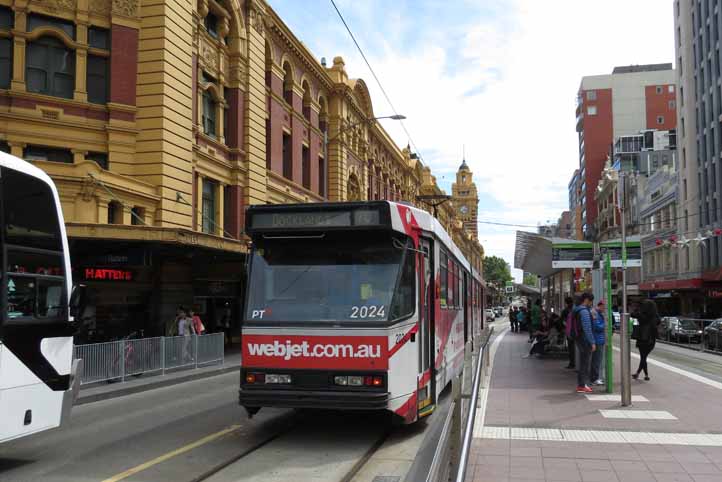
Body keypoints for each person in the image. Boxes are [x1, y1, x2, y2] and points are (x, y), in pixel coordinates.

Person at [632, 299, 661, 381]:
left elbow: (633, 314)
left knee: (643, 357)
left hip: (642, 338)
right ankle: (644, 374)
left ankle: (640, 374)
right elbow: (658, 322)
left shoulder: (641, 315)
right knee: (644, 357)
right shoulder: (655, 316)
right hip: (652, 339)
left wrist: (637, 308)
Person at [573, 293, 596, 393]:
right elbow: (587, 328)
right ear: (587, 300)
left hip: (579, 338)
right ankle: (582, 385)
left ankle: (582, 384)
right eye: (591, 301)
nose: (591, 304)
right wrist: (592, 342)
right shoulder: (584, 311)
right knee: (585, 363)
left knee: (583, 362)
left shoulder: (577, 309)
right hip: (584, 340)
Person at [590, 301, 607, 386]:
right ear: (600, 306)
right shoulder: (595, 313)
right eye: (604, 307)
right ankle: (594, 379)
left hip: (599, 339)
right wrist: (605, 323)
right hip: (597, 340)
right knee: (596, 360)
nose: (605, 309)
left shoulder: (597, 313)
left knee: (596, 360)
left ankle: (595, 378)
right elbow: (597, 327)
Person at [561, 297, 575, 370]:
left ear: (566, 302)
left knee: (571, 348)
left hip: (570, 331)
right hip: (577, 332)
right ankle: (575, 363)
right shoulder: (575, 309)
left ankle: (572, 363)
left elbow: (562, 321)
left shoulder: (565, 310)